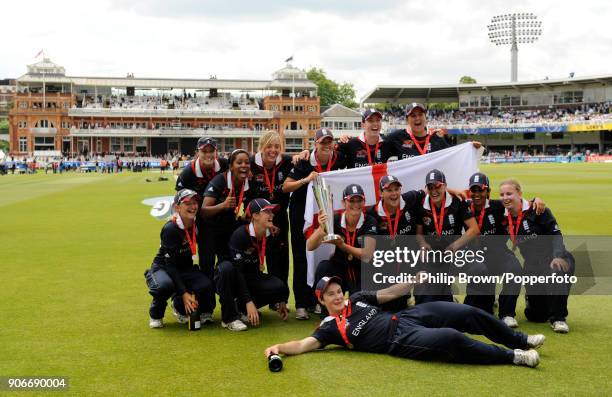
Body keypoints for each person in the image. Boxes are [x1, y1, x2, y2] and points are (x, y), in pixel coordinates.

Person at [264, 276, 545, 368]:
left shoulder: (359, 298)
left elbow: (390, 294)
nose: (337, 297)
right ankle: (515, 357)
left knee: (464, 313)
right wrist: (278, 346)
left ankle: (520, 339)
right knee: (451, 338)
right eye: (330, 295)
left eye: (338, 291)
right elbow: (302, 345)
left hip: (408, 316)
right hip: (398, 341)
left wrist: (413, 279)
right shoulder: (329, 328)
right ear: (322, 300)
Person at [463, 173, 546, 328]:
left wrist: (535, 200)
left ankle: (507, 314)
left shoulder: (498, 206)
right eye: (473, 190)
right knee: (482, 312)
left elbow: (519, 203)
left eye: (480, 190)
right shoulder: (463, 207)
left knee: (514, 268)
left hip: (498, 252)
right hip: (473, 255)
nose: (477, 194)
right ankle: (484, 303)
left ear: (487, 191)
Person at [283, 128, 348, 319]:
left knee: (327, 256)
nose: (326, 146)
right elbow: (287, 186)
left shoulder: (340, 159)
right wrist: (305, 180)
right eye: (322, 142)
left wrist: (347, 138)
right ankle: (302, 303)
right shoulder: (304, 161)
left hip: (330, 215)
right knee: (302, 256)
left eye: (329, 142)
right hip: (302, 216)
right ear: (315, 144)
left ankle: (320, 300)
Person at [499, 179, 575, 333]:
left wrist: (558, 256)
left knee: (556, 272)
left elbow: (556, 236)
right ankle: (534, 302)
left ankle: (559, 319)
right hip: (532, 265)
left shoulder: (539, 210)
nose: (505, 197)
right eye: (502, 194)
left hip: (554, 258)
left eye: (509, 193)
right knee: (536, 316)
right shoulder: (503, 215)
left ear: (519, 194)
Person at [144, 189, 216, 328]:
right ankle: (156, 314)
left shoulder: (197, 223)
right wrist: (183, 292)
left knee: (206, 284)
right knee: (164, 286)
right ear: (177, 207)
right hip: (164, 268)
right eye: (188, 203)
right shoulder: (170, 229)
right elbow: (170, 265)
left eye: (195, 203)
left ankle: (179, 307)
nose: (193, 207)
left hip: (185, 268)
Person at [215, 199, 290, 331]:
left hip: (251, 276)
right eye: (267, 211)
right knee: (226, 269)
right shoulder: (240, 235)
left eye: (272, 211)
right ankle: (229, 318)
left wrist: (281, 299)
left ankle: (241, 310)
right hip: (231, 277)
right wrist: (249, 302)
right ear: (255, 216)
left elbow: (276, 265)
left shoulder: (272, 234)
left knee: (279, 286)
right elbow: (238, 272)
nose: (272, 215)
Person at [415, 169, 481, 304]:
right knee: (431, 295)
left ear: (445, 185)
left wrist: (455, 246)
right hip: (433, 253)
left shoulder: (458, 201)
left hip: (457, 250)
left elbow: (474, 229)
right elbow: (419, 232)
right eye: (430, 187)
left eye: (438, 186)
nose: (434, 191)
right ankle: (449, 299)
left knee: (478, 269)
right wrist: (422, 244)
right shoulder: (420, 204)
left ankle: (474, 306)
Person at [309, 184, 378, 295]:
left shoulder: (370, 221)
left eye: (359, 200)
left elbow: (367, 254)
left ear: (364, 202)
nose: (356, 204)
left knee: (359, 304)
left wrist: (343, 245)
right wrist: (322, 227)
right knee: (324, 266)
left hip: (361, 269)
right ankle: (324, 306)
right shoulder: (335, 219)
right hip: (339, 268)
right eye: (351, 201)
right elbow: (310, 246)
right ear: (343, 202)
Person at [176, 137, 229, 281]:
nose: (208, 154)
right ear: (197, 153)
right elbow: (179, 200)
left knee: (227, 263)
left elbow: (243, 163)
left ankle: (227, 299)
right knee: (207, 263)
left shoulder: (225, 164)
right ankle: (208, 300)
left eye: (211, 151)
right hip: (203, 224)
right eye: (204, 151)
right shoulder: (188, 173)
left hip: (225, 222)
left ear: (216, 152)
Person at [250, 131, 294, 296]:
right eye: (269, 146)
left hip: (279, 219)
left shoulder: (287, 162)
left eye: (277, 146)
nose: (273, 150)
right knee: (253, 259)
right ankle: (252, 299)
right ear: (261, 147)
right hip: (255, 221)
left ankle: (280, 298)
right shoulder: (250, 163)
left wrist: (303, 154)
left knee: (280, 260)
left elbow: (307, 158)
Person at [201, 149, 259, 265]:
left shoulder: (249, 182)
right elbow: (203, 211)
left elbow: (251, 207)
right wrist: (223, 205)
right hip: (211, 228)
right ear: (231, 167)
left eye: (247, 163)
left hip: (230, 225)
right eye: (239, 162)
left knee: (231, 262)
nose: (244, 165)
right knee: (210, 265)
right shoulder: (220, 181)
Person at [386, 103, 481, 159]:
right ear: (407, 120)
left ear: (426, 117)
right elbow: (379, 147)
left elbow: (454, 154)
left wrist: (470, 147)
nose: (417, 118)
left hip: (432, 191)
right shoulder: (397, 137)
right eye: (413, 116)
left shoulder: (437, 137)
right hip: (408, 192)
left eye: (420, 115)